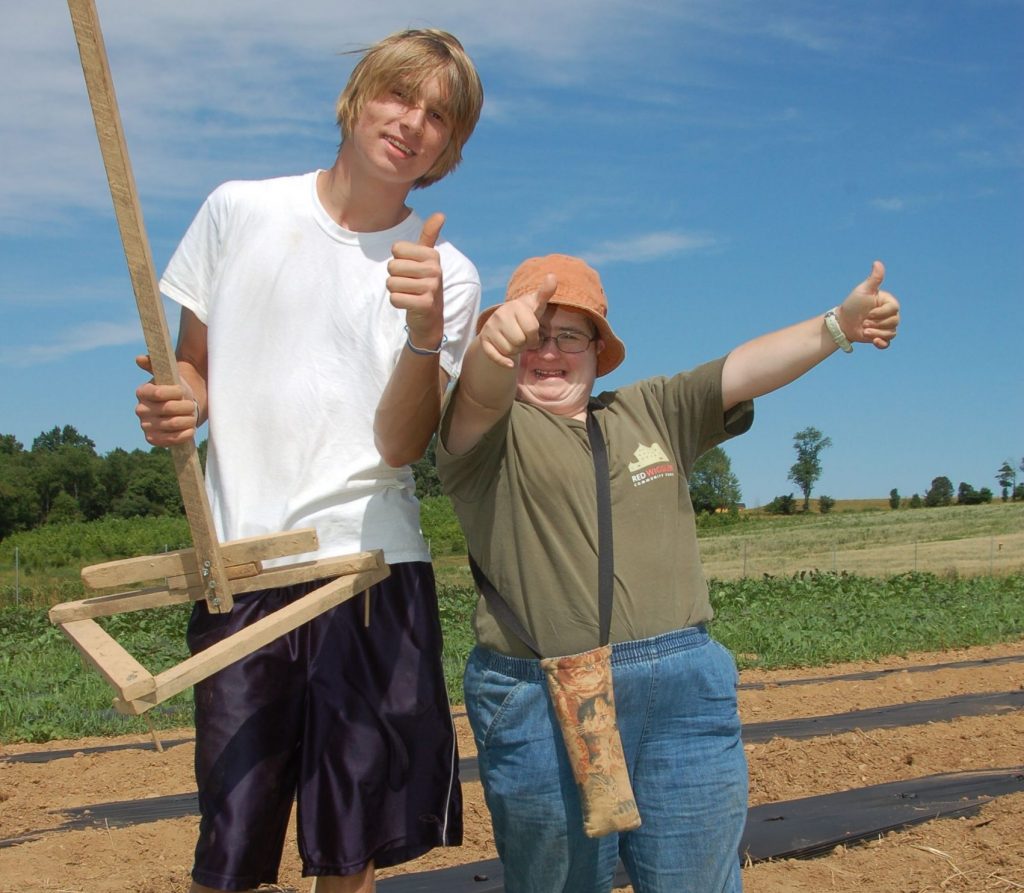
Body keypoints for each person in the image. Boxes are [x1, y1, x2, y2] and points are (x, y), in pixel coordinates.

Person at [134, 29, 484, 893]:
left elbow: (402, 445)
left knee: (348, 839)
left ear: (450, 148)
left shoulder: (448, 275)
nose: (412, 123)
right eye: (400, 96)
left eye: (438, 116)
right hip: (245, 563)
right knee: (233, 837)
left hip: (369, 570)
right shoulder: (239, 210)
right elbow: (197, 366)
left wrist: (425, 331)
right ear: (359, 95)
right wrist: (179, 399)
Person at [436, 253, 900, 892]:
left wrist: (837, 325)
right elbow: (480, 390)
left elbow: (740, 371)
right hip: (542, 697)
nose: (548, 350)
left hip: (681, 692)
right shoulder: (485, 433)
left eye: (568, 335)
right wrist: (492, 346)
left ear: (599, 349)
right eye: (531, 334)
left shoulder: (649, 410)